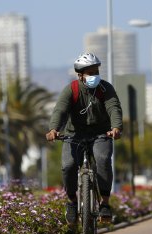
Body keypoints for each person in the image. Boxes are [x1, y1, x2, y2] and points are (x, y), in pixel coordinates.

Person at [46, 52, 123, 224]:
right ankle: (72, 202)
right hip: (74, 135)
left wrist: (116, 127)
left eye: (96, 71)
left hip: (101, 134)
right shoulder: (71, 90)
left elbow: (114, 108)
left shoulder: (105, 89)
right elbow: (60, 110)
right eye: (90, 73)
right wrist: (53, 129)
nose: (94, 75)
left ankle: (104, 203)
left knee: (103, 159)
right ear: (80, 75)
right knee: (68, 166)